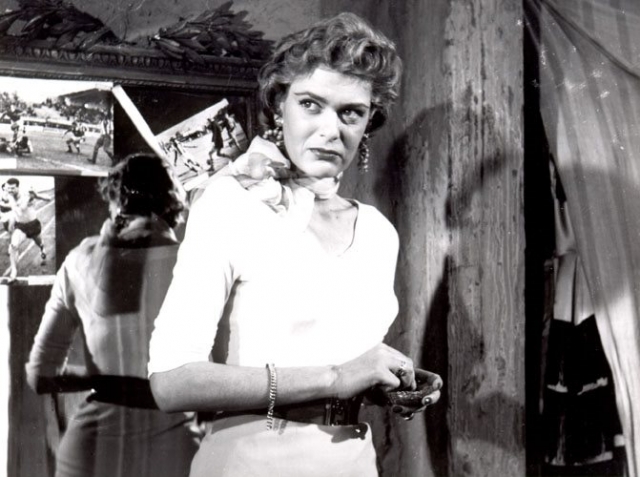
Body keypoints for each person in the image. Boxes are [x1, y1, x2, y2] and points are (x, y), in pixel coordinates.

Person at [148, 13, 441, 477]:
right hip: (252, 462)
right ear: (279, 106)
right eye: (310, 105)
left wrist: (384, 382)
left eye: (351, 112)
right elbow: (171, 382)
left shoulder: (378, 232)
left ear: (368, 123)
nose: (330, 129)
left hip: (352, 462)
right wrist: (336, 378)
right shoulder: (232, 203)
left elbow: (343, 360)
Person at [25, 154, 199, 477]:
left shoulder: (79, 259)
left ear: (117, 202)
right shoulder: (195, 264)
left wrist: (107, 378)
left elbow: (40, 374)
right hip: (174, 448)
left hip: (88, 451)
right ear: (172, 203)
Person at [4, 177, 50, 282]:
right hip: (21, 227)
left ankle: (42, 250)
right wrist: (12, 219)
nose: (10, 190)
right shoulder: (9, 196)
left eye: (12, 188)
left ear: (18, 187)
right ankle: (14, 271)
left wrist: (37, 195)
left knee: (40, 244)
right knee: (13, 245)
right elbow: (14, 210)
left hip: (33, 225)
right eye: (8, 188)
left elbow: (20, 210)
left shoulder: (26, 195)